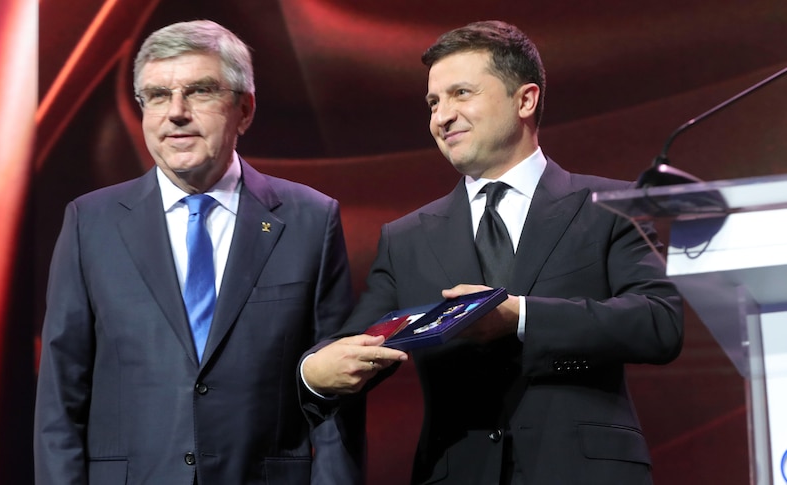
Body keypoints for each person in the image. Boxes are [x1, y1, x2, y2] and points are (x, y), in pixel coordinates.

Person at [301, 20, 683, 485]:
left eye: (461, 93)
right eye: (433, 102)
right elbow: (359, 343)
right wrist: (313, 373)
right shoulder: (405, 238)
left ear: (525, 99)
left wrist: (521, 316)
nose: (441, 116)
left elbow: (659, 321)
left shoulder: (610, 208)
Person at [34, 20, 363, 485]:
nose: (176, 113)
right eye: (157, 96)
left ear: (244, 110)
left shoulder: (311, 219)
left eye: (200, 91)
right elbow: (60, 402)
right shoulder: (91, 222)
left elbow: (336, 392)